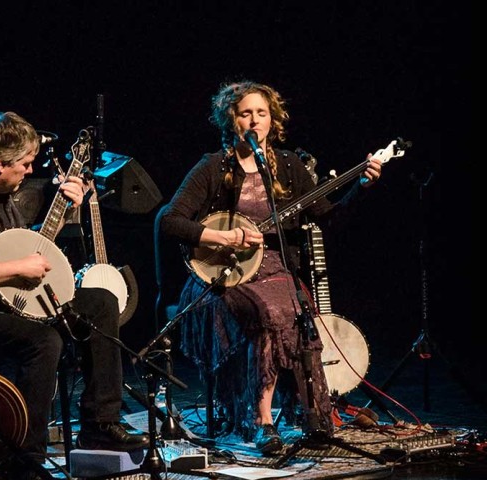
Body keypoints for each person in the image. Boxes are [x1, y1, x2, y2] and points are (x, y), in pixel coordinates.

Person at [0, 111, 149, 478]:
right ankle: (25, 456)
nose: (30, 171)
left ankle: (100, 424)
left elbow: (18, 247)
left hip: (10, 299)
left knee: (100, 301)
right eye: (25, 164)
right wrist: (18, 268)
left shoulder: (3, 192)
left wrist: (65, 211)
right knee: (44, 340)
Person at [158, 80, 382, 454]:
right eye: (246, 113)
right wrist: (224, 239)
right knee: (268, 311)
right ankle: (262, 422)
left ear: (272, 119)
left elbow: (325, 217)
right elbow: (170, 221)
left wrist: (359, 186)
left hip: (277, 268)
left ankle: (313, 417)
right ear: (232, 120)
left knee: (298, 311)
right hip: (224, 276)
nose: (255, 120)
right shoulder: (213, 168)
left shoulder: (289, 166)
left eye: (261, 113)